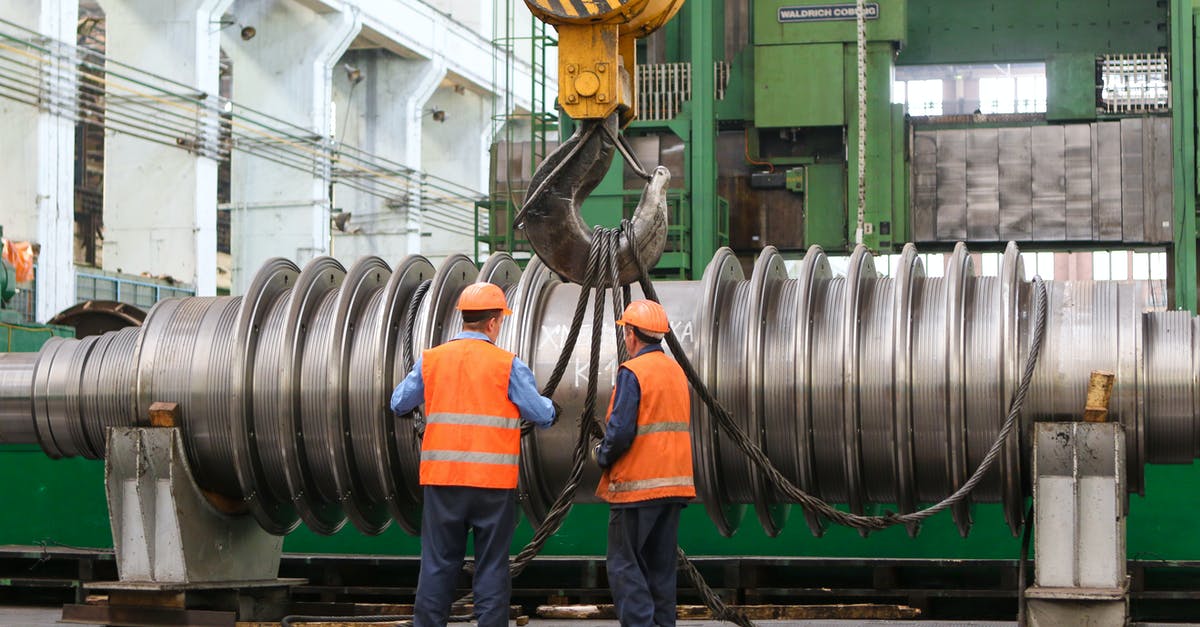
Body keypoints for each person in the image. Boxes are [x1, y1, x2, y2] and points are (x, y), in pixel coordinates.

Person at [390, 282, 559, 627]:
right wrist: (553, 409)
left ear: (463, 318)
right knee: (492, 566)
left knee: (438, 564)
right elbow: (540, 416)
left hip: (443, 483)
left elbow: (398, 403)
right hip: (492, 487)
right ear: (494, 322)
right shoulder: (506, 364)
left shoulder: (432, 359)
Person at [592, 299, 695, 627]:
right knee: (660, 570)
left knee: (625, 566)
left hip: (638, 489)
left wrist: (601, 454)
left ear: (633, 335)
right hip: (674, 487)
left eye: (626, 331)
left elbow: (621, 431)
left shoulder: (633, 372)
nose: (625, 338)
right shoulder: (676, 371)